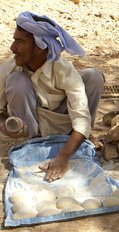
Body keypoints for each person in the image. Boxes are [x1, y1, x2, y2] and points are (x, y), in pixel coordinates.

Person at [0, 11, 105, 182]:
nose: (13, 48)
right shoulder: (9, 68)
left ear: (40, 47)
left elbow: (82, 119)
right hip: (34, 126)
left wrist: (63, 158)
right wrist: (4, 125)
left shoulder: (63, 69)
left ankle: (76, 139)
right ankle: (34, 145)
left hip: (64, 123)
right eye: (14, 40)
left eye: (19, 42)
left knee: (93, 76)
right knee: (16, 81)